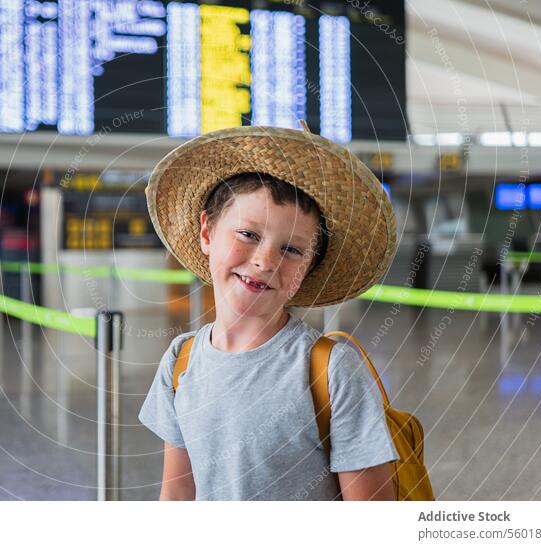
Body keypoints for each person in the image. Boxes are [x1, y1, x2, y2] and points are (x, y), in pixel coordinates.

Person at [138, 122, 399, 501]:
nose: (264, 262)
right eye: (248, 234)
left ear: (309, 268)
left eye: (291, 250)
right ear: (207, 233)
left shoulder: (330, 370)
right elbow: (176, 497)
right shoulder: (180, 362)